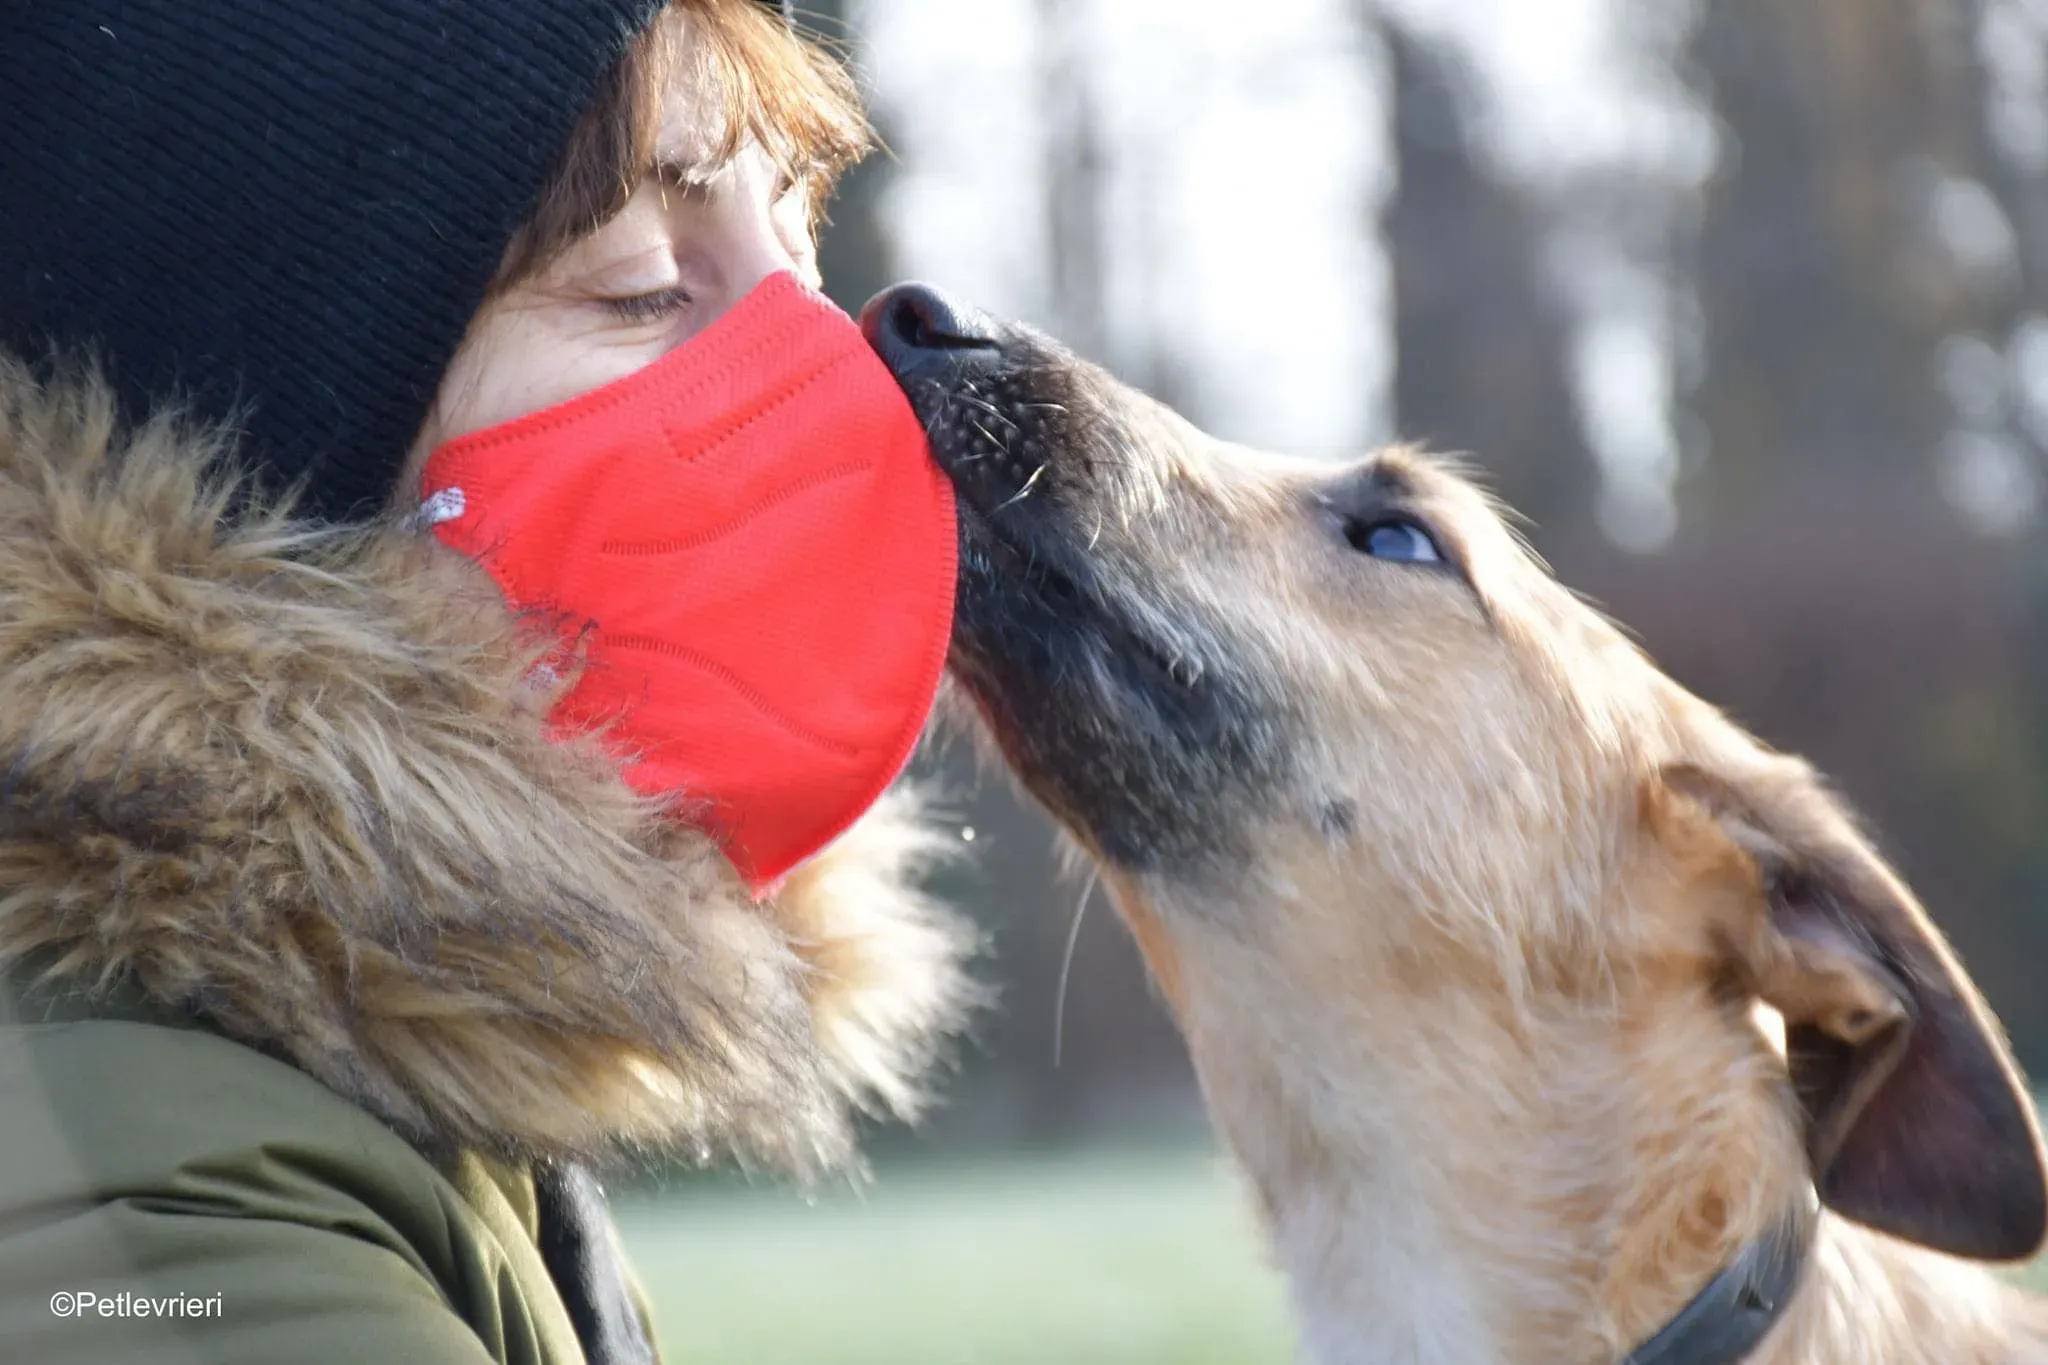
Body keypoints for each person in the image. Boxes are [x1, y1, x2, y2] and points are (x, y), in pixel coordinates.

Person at [0, 2, 975, 1361]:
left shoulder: (412, 1026)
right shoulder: (139, 1208)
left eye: (799, 239)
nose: (826, 376)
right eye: (643, 285)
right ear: (281, 458)